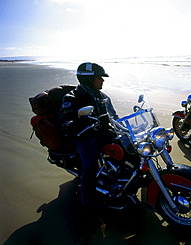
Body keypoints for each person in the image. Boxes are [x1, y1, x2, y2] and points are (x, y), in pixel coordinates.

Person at [59, 62, 118, 243]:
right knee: (90, 168)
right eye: (100, 78)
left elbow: (114, 117)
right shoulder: (73, 96)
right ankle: (88, 212)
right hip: (84, 137)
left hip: (103, 133)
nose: (103, 81)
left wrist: (122, 128)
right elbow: (66, 119)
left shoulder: (103, 97)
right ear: (89, 79)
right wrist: (73, 124)